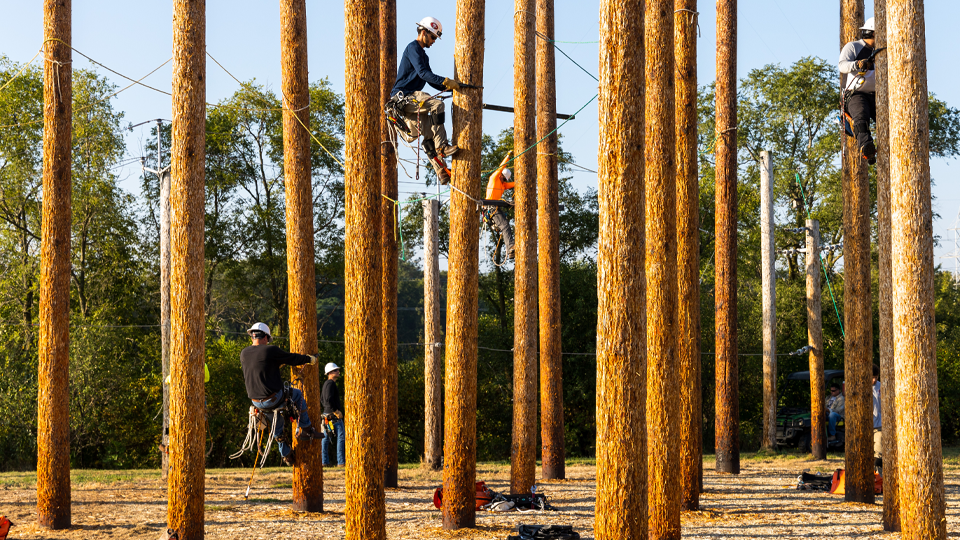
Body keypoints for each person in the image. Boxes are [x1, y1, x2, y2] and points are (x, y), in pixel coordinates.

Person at [387, 16, 462, 184]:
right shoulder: (413, 48)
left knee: (428, 133)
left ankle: (441, 171)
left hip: (409, 100)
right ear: (423, 32)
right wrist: (445, 81)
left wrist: (447, 87)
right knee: (437, 104)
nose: (434, 41)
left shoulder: (423, 56)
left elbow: (428, 79)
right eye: (433, 36)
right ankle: (442, 146)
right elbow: (423, 74)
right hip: (404, 96)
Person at [240, 322, 322, 466]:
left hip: (256, 401)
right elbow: (292, 358)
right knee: (296, 395)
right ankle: (307, 429)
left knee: (277, 424)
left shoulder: (244, 353)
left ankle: (287, 455)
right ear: (265, 337)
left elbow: (259, 367)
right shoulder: (270, 351)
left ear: (252, 336)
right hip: (273, 398)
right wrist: (309, 359)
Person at [839, 17, 879, 165]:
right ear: (874, 33)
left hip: (877, 95)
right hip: (856, 93)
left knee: (887, 119)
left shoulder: (883, 51)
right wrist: (858, 64)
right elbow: (842, 66)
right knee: (860, 115)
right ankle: (866, 146)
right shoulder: (854, 47)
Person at [482, 151, 516, 261]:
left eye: (506, 180)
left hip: (495, 207)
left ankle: (511, 248)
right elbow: (501, 167)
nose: (504, 181)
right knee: (505, 226)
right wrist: (508, 156)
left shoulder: (502, 185)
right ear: (501, 175)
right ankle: (511, 247)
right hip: (490, 207)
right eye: (504, 178)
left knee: (506, 225)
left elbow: (515, 183)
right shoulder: (494, 178)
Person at [321, 362, 346, 467]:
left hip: (326, 415)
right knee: (341, 437)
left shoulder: (326, 384)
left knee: (325, 438)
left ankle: (324, 462)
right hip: (333, 416)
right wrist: (335, 411)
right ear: (330, 372)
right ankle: (341, 462)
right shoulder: (331, 384)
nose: (338, 372)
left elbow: (322, 400)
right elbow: (328, 399)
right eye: (336, 370)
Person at [872, 364, 882, 464]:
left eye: (876, 377)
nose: (874, 380)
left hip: (879, 425)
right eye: (872, 377)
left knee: (879, 452)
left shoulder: (881, 386)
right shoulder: (861, 387)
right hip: (867, 426)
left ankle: (879, 475)